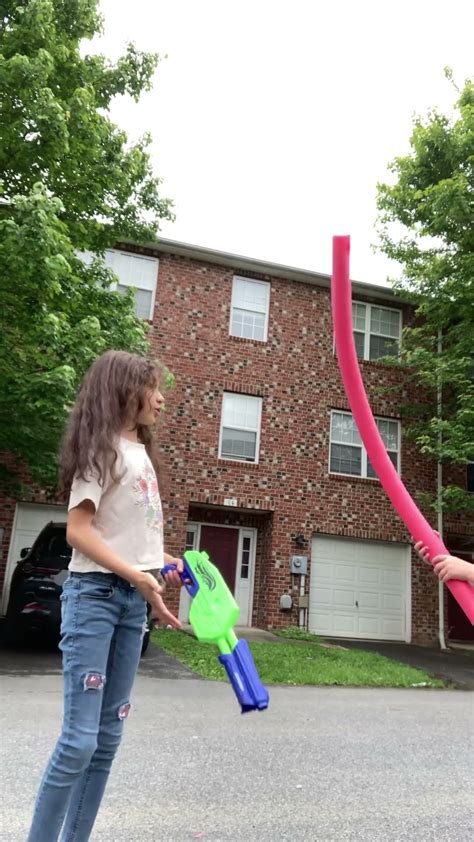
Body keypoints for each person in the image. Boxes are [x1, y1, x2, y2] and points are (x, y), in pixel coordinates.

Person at [28, 350, 183, 842]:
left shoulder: (141, 453)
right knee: (79, 742)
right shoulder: (101, 450)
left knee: (108, 739)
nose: (161, 397)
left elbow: (129, 538)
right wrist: (136, 577)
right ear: (123, 390)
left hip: (130, 602)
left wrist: (162, 566)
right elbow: (78, 532)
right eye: (152, 387)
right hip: (94, 597)